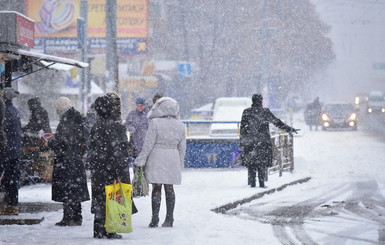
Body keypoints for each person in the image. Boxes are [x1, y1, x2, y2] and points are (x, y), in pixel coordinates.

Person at [89, 95, 137, 239]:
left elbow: (91, 147)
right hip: (112, 169)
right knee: (112, 198)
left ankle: (98, 229)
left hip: (98, 168)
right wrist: (121, 173)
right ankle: (111, 229)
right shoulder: (117, 127)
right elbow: (122, 151)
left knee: (99, 198)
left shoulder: (95, 127)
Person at [134, 97, 186, 228]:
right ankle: (169, 218)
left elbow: (148, 144)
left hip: (156, 157)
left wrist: (141, 159)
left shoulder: (155, 123)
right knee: (170, 188)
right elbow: (182, 147)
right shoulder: (180, 125)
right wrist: (180, 163)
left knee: (156, 188)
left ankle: (155, 218)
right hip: (172, 157)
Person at [46, 97, 90, 226]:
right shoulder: (76, 118)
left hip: (66, 161)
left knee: (67, 190)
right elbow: (75, 140)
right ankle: (77, 217)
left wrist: (50, 142)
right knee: (74, 190)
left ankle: (68, 218)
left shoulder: (66, 121)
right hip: (75, 160)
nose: (56, 111)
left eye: (57, 108)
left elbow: (63, 143)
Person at [240, 94, 299, 188]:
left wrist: (243, 141)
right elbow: (277, 122)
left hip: (250, 142)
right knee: (261, 163)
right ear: (261, 101)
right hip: (262, 142)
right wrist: (289, 129)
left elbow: (243, 128)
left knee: (252, 163)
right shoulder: (265, 112)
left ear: (252, 101)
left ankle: (252, 183)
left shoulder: (246, 112)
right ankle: (262, 183)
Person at [0, 88, 22, 215]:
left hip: (6, 150)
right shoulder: (15, 111)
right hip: (15, 150)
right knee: (12, 178)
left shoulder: (5, 111)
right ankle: (13, 205)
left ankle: (11, 204)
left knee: (7, 177)